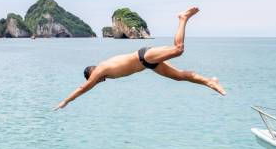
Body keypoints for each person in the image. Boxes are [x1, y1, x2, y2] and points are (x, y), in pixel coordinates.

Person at [55, 7, 226, 109]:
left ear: (91, 72)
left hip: (144, 55)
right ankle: (210, 82)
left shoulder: (99, 70)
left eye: (94, 79)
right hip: (148, 64)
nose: (99, 82)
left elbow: (82, 88)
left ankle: (182, 18)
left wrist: (65, 101)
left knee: (178, 49)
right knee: (180, 76)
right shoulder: (103, 70)